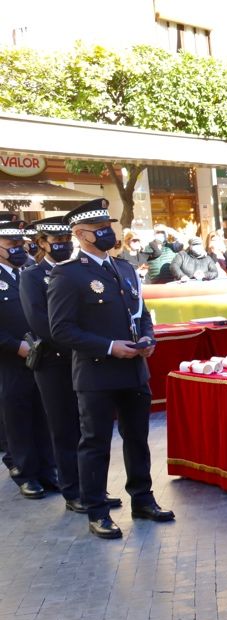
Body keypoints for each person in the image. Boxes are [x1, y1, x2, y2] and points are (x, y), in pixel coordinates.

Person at [47, 198, 174, 539]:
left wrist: (148, 338)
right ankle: (96, 510)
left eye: (109, 227)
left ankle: (143, 500)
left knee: (138, 439)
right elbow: (61, 329)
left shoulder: (125, 268)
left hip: (134, 370)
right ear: (80, 234)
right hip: (97, 372)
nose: (107, 233)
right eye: (99, 229)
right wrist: (109, 347)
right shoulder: (68, 275)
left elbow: (141, 313)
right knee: (96, 443)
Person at [22, 216, 121, 514]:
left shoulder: (80, 271)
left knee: (89, 429)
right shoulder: (32, 276)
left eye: (67, 241)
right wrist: (83, 345)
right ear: (42, 244)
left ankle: (92, 488)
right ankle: (72, 490)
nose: (63, 246)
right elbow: (43, 323)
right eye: (57, 242)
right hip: (56, 363)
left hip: (85, 360)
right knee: (64, 428)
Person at [0, 216, 56, 499]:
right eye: (11, 244)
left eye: (21, 244)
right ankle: (24, 472)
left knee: (43, 413)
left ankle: (48, 468)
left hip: (41, 355)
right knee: (17, 416)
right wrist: (14, 346)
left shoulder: (30, 273)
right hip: (10, 359)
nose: (18, 249)